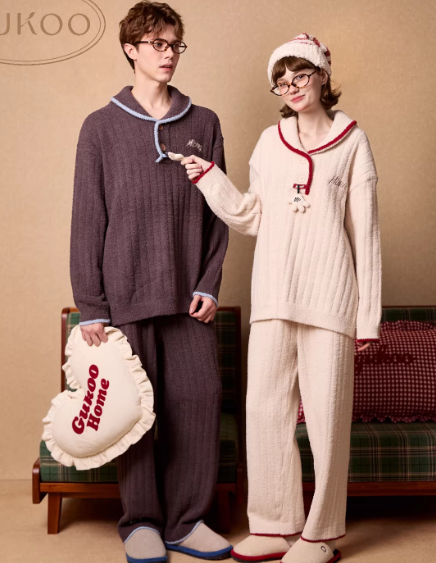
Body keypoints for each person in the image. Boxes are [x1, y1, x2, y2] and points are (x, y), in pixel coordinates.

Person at [181, 33, 382, 563]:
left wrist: (368, 317)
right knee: (265, 410)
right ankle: (273, 526)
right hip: (273, 294)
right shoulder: (270, 142)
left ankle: (320, 536)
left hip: (330, 299)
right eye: (282, 81)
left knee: (327, 420)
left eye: (301, 75)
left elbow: (366, 233)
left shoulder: (353, 141)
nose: (291, 87)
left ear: (322, 77)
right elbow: (252, 216)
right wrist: (210, 179)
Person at [69, 2, 232, 562]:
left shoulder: (204, 123)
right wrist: (91, 305)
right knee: (135, 411)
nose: (167, 54)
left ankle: (187, 521)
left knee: (198, 402)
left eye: (174, 44)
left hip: (189, 300)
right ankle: (140, 521)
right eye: (156, 44)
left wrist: (210, 282)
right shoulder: (100, 127)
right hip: (124, 299)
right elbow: (87, 220)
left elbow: (219, 212)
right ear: (131, 49)